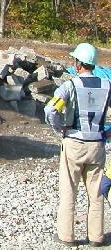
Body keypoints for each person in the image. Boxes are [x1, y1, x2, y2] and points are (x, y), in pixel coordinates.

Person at [44, 43, 111, 247]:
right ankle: (97, 237)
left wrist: (60, 129)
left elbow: (50, 110)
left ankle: (66, 236)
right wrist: (107, 132)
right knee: (97, 194)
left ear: (79, 64)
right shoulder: (107, 85)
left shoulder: (69, 86)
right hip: (97, 145)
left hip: (73, 143)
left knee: (68, 192)